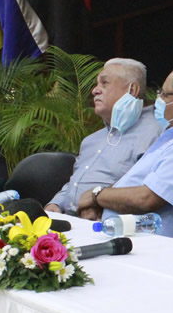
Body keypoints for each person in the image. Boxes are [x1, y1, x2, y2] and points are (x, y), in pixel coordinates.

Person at [77, 65, 173, 243]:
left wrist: (96, 196)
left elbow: (146, 199)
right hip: (119, 237)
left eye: (164, 94)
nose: (158, 100)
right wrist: (99, 204)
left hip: (147, 253)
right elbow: (131, 184)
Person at [45, 58, 161, 214]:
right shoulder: (91, 140)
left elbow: (145, 194)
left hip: (107, 226)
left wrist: (101, 207)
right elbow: (76, 183)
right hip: (65, 221)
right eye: (96, 84)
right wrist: (56, 204)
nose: (95, 90)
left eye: (104, 83)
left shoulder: (156, 134)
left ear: (131, 90)